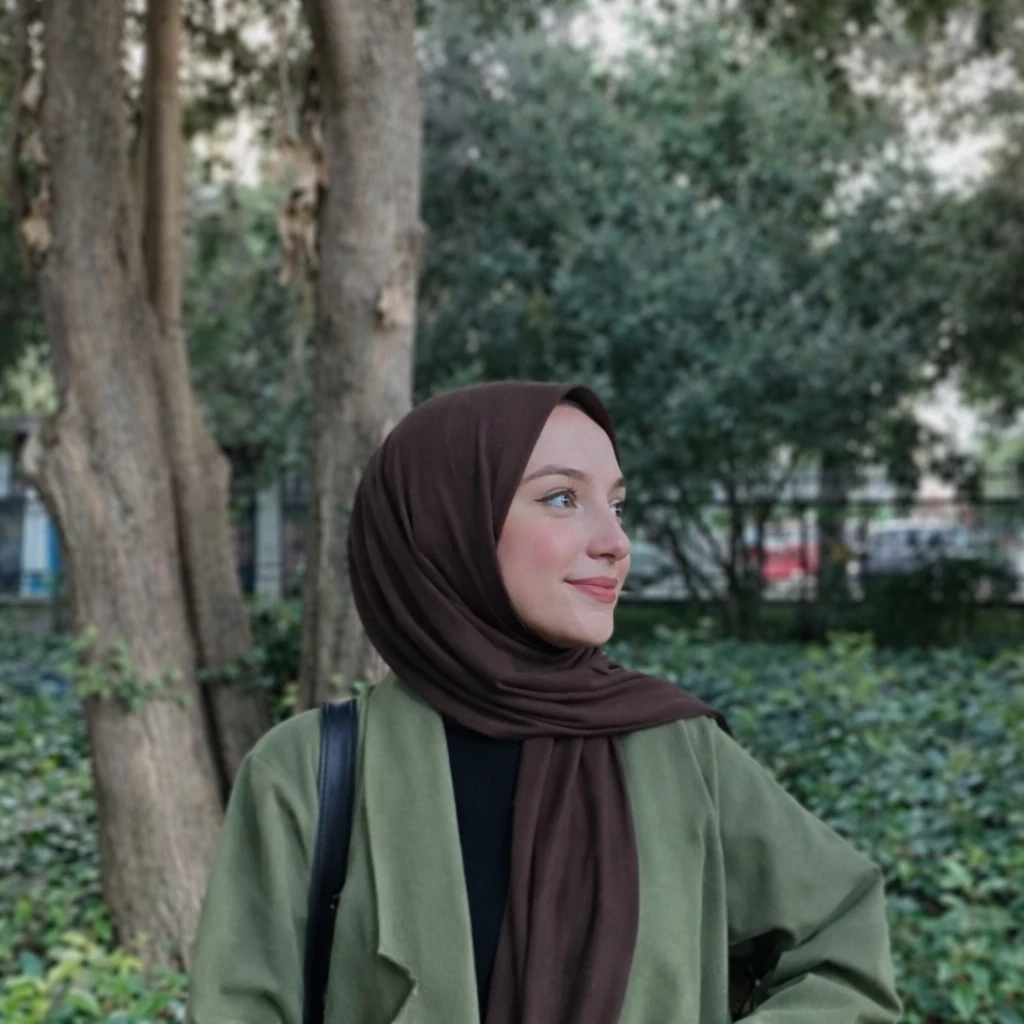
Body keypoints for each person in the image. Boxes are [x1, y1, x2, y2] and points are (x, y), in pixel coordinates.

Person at [186, 380, 902, 1024]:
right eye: (562, 498)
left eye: (617, 505)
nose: (615, 541)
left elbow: (841, 942)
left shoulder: (679, 751)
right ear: (447, 524)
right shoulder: (306, 775)